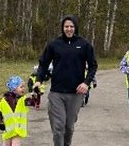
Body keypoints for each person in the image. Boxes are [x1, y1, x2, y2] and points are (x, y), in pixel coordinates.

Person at [32, 15, 98, 146]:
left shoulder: (84, 45)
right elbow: (43, 64)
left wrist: (86, 83)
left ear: (75, 28)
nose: (69, 29)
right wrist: (39, 80)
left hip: (76, 93)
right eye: (66, 26)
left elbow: (93, 66)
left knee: (69, 127)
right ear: (62, 28)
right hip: (57, 93)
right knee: (58, 127)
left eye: (71, 26)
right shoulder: (54, 44)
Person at [0, 75, 39, 146]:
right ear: (14, 88)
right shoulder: (4, 101)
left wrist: (35, 95)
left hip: (18, 130)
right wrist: (0, 123)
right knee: (6, 144)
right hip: (8, 130)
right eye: (21, 87)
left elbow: (32, 102)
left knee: (16, 144)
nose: (23, 88)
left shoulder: (23, 100)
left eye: (24, 87)